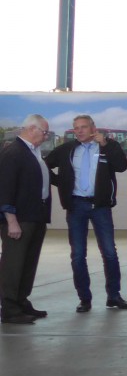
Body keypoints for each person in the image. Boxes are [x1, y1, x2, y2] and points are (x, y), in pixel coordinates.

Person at [45, 114, 127, 312]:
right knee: (78, 255)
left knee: (109, 253)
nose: (79, 131)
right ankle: (84, 299)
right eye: (76, 128)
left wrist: (108, 144)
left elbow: (121, 166)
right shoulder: (66, 149)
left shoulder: (106, 147)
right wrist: (61, 182)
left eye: (83, 127)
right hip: (76, 206)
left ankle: (114, 296)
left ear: (93, 128)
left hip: (100, 207)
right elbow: (44, 165)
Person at [0, 114, 53, 324]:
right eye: (45, 132)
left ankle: (21, 300)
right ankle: (9, 307)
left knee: (28, 262)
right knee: (14, 263)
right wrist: (11, 220)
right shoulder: (14, 153)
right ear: (32, 129)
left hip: (35, 216)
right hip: (19, 219)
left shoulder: (33, 152)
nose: (46, 136)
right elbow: (5, 189)